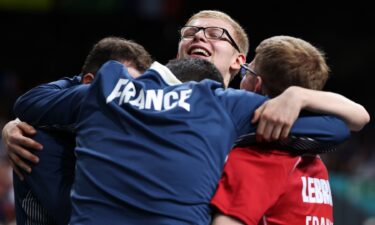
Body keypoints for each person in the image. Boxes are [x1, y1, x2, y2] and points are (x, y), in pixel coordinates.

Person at [2, 9, 368, 224]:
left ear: (241, 62)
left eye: (215, 33)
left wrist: (297, 96)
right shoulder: (131, 92)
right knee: (39, 139)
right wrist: (14, 126)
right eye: (190, 31)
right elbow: (43, 103)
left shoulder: (252, 112)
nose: (199, 35)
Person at [210, 36, 370, 225]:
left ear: (257, 84)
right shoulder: (313, 156)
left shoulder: (259, 159)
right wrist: (300, 95)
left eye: (247, 71)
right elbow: (360, 118)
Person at [7, 36, 153, 225]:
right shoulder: (38, 138)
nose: (131, 103)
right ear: (88, 84)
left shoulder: (129, 135)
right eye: (124, 90)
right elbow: (78, 215)